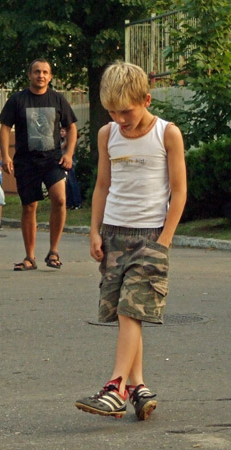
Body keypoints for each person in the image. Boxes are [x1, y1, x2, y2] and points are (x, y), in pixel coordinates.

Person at [74, 61, 186, 420]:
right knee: (124, 313)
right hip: (113, 234)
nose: (120, 119)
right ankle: (139, 386)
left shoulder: (167, 134)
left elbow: (180, 191)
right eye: (112, 111)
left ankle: (116, 386)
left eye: (127, 111)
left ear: (146, 99)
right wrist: (94, 231)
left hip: (151, 237)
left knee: (130, 310)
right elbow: (102, 186)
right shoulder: (108, 134)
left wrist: (164, 241)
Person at [0, 59, 78, 270]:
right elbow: (5, 127)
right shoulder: (17, 100)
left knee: (60, 200)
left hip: (53, 159)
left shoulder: (58, 100)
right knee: (29, 206)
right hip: (26, 161)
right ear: (29, 75)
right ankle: (30, 257)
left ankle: (53, 251)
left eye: (45, 72)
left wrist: (68, 153)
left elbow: (71, 127)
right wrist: (5, 155)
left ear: (50, 77)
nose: (40, 75)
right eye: (36, 72)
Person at [61, 127, 83, 209]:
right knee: (67, 183)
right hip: (65, 162)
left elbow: (61, 148)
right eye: (61, 131)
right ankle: (69, 203)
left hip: (70, 161)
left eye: (63, 131)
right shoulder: (64, 140)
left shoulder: (69, 141)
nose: (61, 133)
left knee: (72, 182)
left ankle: (77, 202)